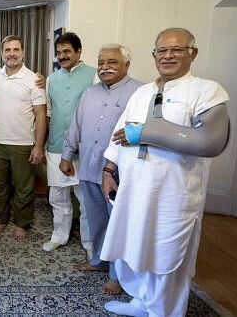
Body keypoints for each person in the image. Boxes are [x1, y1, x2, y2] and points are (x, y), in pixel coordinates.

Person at [101, 28, 230, 316]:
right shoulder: (142, 92)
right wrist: (109, 168)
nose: (168, 55)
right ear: (154, 55)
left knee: (166, 256)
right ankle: (142, 300)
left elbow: (211, 141)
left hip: (174, 195)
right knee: (135, 247)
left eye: (178, 49)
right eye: (162, 50)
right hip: (135, 189)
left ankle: (164, 311)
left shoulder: (206, 91)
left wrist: (148, 133)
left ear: (192, 53)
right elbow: (119, 133)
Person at [59, 44, 143, 295]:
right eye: (101, 62)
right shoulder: (90, 93)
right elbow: (75, 125)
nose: (105, 67)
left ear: (127, 65)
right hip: (89, 167)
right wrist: (66, 155)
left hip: (120, 174)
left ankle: (118, 277)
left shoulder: (140, 92)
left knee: (119, 224)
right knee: (95, 220)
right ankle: (99, 261)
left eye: (112, 62)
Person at [0, 35, 47, 240]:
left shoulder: (34, 79)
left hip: (23, 143)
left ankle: (22, 223)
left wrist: (38, 147)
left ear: (22, 52)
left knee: (24, 187)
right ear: (2, 53)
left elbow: (40, 114)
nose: (12, 53)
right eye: (8, 50)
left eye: (16, 50)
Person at [43, 32, 95, 255]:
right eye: (59, 52)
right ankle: (59, 236)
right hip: (56, 145)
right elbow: (49, 113)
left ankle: (90, 242)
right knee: (57, 195)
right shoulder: (51, 79)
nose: (62, 56)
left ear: (79, 52)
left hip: (83, 148)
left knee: (85, 198)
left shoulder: (94, 75)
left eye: (67, 51)